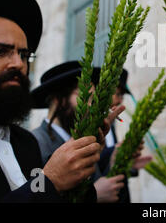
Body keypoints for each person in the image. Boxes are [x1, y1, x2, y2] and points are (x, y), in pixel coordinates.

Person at [0, 0, 120, 202]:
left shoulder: (25, 143)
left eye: (24, 55)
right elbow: (44, 187)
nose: (18, 64)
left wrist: (79, 169)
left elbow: (40, 192)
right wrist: (52, 180)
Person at [31, 61, 125, 203]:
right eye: (87, 97)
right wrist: (95, 194)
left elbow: (96, 179)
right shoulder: (35, 143)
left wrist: (112, 161)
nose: (91, 106)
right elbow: (36, 195)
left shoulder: (82, 138)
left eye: (94, 100)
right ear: (58, 99)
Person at [99, 68, 152, 203]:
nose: (120, 101)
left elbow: (110, 163)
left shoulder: (112, 123)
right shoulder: (93, 125)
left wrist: (129, 164)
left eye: (122, 96)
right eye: (118, 94)